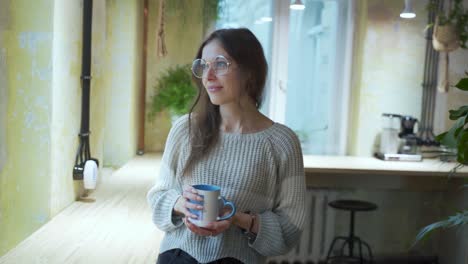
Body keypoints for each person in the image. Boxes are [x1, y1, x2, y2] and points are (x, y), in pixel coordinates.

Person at [147, 28, 306, 264]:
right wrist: (183, 205)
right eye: (203, 65)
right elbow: (159, 196)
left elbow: (290, 226)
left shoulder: (281, 143)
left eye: (220, 64)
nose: (208, 76)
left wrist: (238, 219)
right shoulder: (185, 130)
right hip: (177, 256)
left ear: (250, 72)